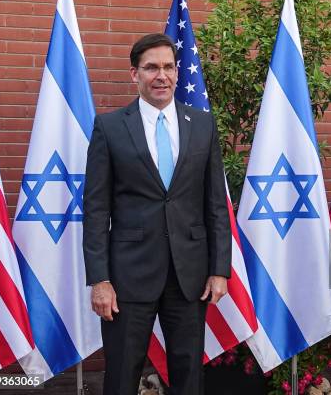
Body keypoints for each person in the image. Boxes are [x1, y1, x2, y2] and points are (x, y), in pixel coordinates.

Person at [83, 33, 231, 395]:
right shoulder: (111, 127)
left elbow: (215, 204)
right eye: (151, 68)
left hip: (190, 276)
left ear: (178, 73)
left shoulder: (203, 125)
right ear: (135, 74)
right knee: (121, 375)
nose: (161, 75)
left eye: (168, 67)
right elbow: (96, 208)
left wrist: (219, 269)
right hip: (128, 277)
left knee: (188, 376)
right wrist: (99, 279)